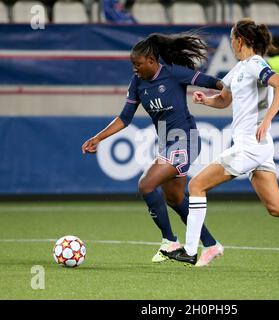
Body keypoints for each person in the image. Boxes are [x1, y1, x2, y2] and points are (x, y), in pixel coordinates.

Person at [162, 19, 279, 265]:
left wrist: (267, 121)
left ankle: (189, 250)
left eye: (232, 39)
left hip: (250, 146)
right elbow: (224, 99)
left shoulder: (255, 64)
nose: (230, 43)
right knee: (277, 207)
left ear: (240, 40)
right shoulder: (238, 70)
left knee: (196, 186)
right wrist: (206, 100)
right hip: (258, 148)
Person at [82, 33, 224, 266]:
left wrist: (225, 88)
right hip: (167, 143)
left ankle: (170, 241)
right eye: (132, 65)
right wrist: (98, 138)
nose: (135, 69)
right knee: (175, 197)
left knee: (146, 184)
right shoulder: (137, 82)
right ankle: (211, 244)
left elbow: (208, 81)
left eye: (137, 64)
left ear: (151, 60)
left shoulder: (173, 73)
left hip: (186, 139)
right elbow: (124, 118)